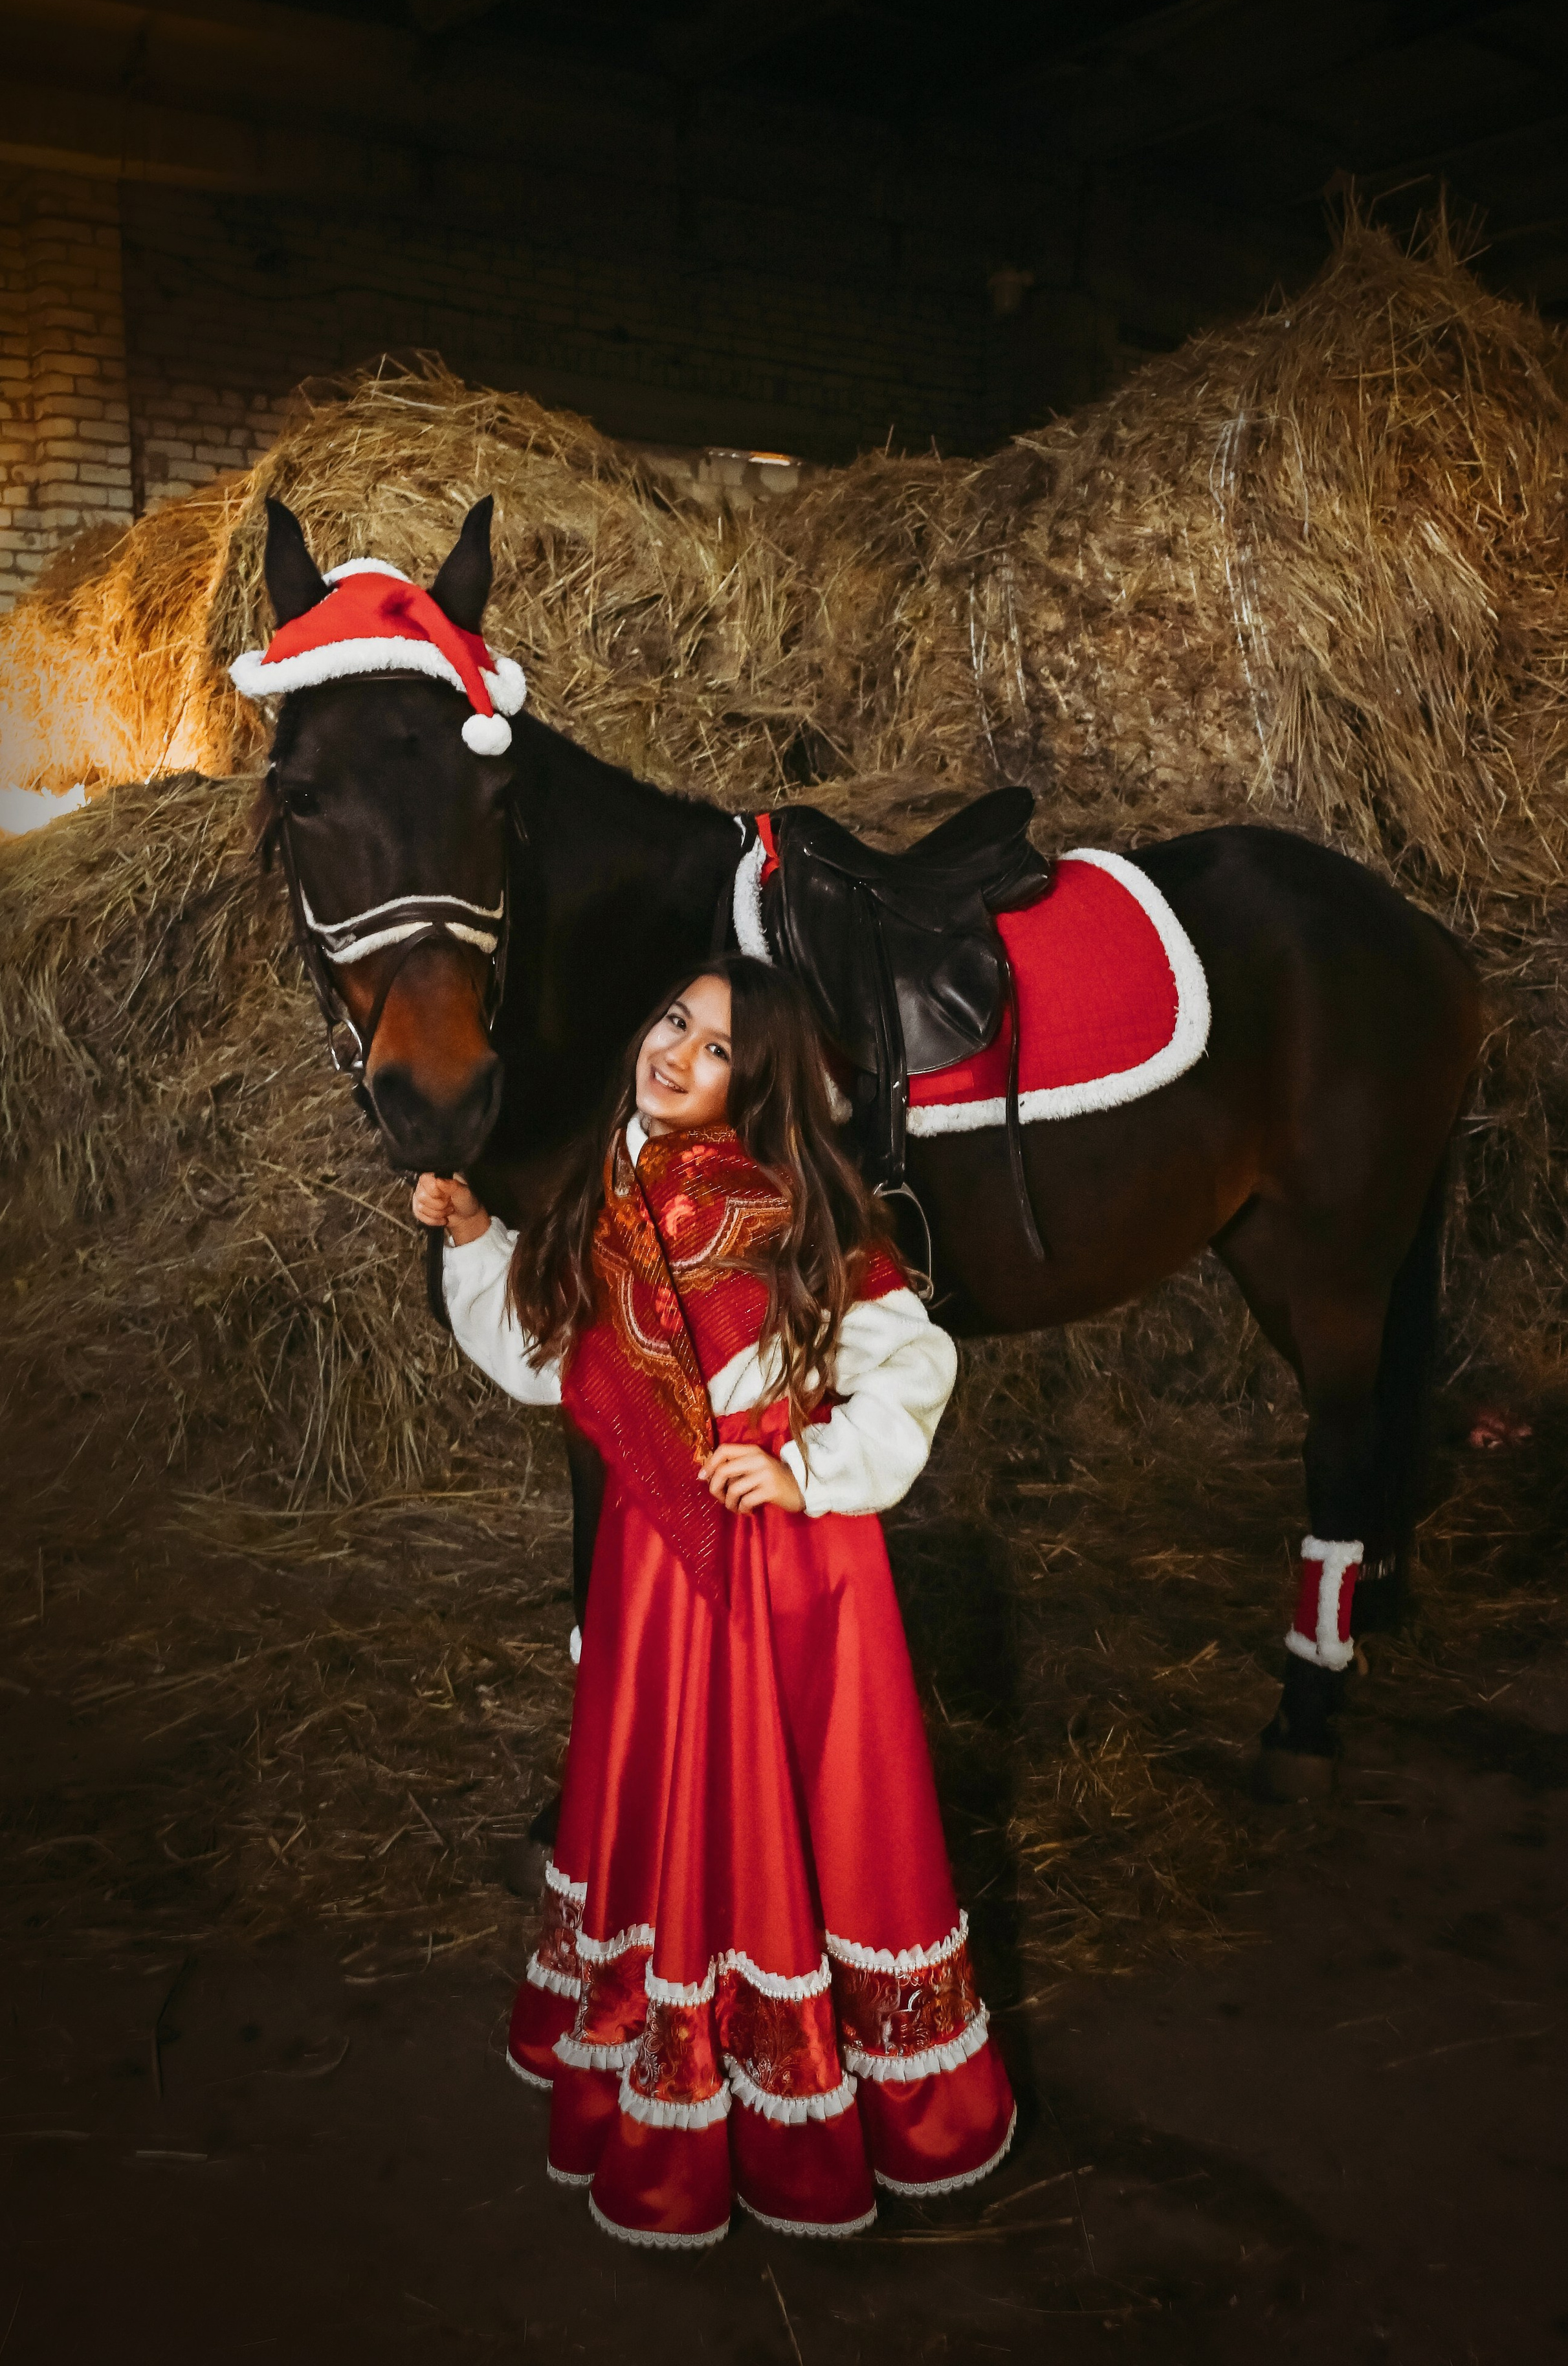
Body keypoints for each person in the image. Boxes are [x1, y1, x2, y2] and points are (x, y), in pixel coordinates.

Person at [413, 955, 1014, 2249]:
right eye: (671, 1021)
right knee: (665, 1777)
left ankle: (813, 2096)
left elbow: (911, 1359)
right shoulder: (611, 1193)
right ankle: (668, 2044)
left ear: (762, 1085)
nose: (677, 1051)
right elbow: (554, 1352)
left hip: (776, 1561)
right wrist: (474, 1242)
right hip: (653, 1560)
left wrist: (801, 1466)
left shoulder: (787, 1212)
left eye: (718, 1047)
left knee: (784, 1785)